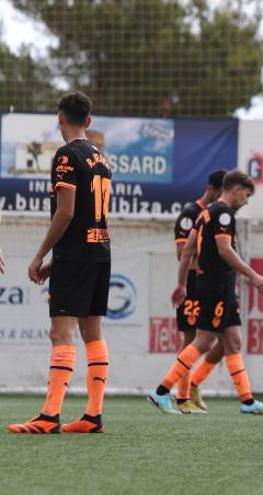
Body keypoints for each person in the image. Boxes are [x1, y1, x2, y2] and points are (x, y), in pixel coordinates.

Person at [9, 91, 111, 434]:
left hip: (78, 254)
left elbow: (66, 212)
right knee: (92, 331)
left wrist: (41, 254)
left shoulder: (66, 155)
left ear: (60, 118)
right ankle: (93, 415)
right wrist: (60, 256)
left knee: (61, 333)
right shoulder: (101, 157)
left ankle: (49, 416)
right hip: (100, 249)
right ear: (90, 121)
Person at [148, 170, 263, 415]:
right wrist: (253, 275)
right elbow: (225, 250)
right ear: (236, 189)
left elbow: (187, 249)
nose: (246, 201)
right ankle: (162, 391)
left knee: (233, 341)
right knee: (204, 341)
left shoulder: (205, 213)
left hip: (219, 287)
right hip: (216, 285)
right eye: (247, 196)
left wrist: (181, 283)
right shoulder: (223, 213)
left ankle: (247, 402)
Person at [165, 169, 227, 414]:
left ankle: (193, 384)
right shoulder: (191, 213)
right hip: (194, 284)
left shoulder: (219, 215)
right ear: (213, 189)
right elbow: (183, 254)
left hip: (213, 285)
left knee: (227, 339)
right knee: (191, 340)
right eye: (224, 193)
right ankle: (181, 397)